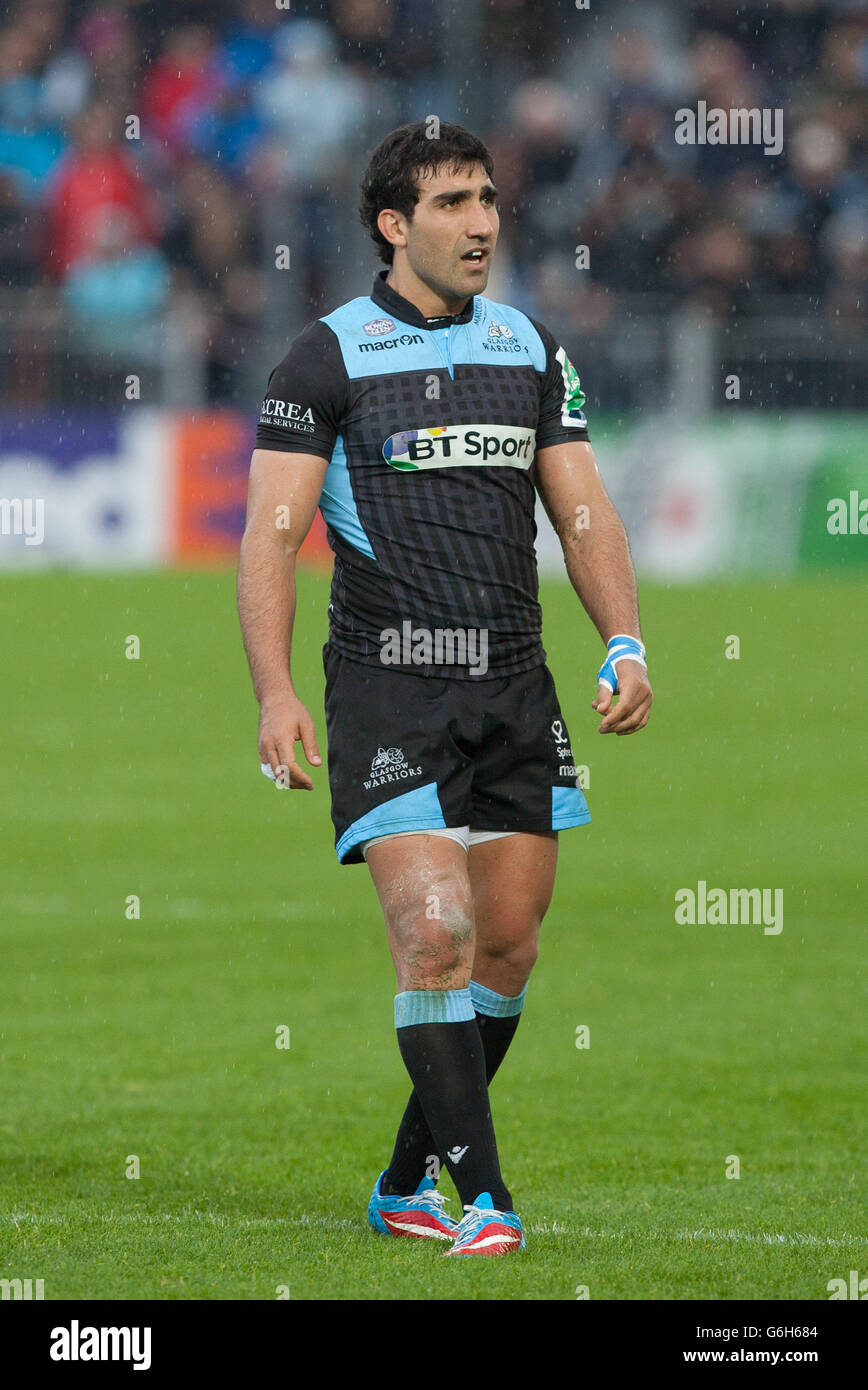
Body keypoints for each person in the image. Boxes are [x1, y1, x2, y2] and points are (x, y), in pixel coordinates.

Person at [237, 121, 652, 1258]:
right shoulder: (323, 358)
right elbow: (270, 540)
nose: (481, 224)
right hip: (387, 685)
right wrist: (275, 693)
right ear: (392, 224)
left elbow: (579, 510)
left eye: (488, 200)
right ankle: (489, 1201)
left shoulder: (526, 345)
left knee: (507, 945)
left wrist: (623, 642)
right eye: (453, 203)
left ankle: (404, 1181)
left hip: (515, 686)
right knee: (435, 934)